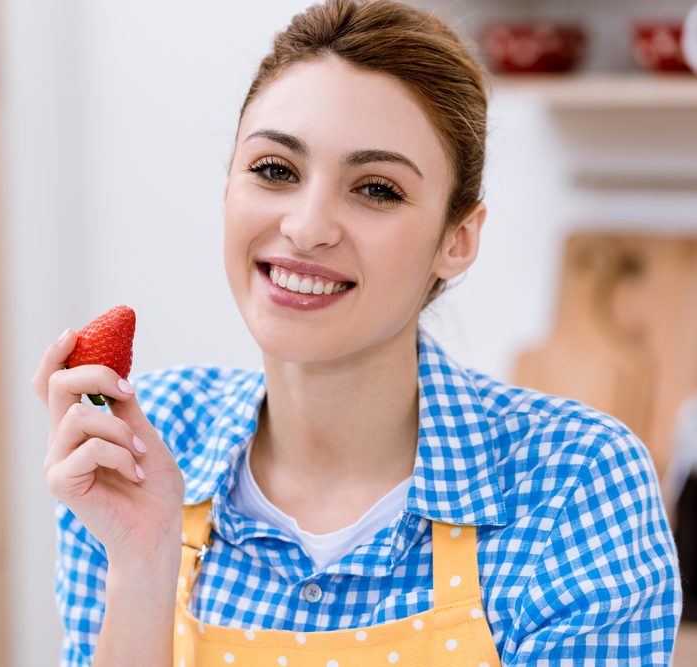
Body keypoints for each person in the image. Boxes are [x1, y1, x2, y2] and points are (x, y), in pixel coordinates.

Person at [33, 0, 682, 664]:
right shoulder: (144, 449)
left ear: (456, 240)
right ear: (227, 188)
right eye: (274, 170)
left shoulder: (573, 482)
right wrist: (141, 565)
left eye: (375, 188)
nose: (307, 226)